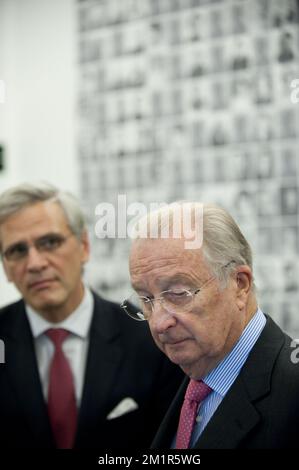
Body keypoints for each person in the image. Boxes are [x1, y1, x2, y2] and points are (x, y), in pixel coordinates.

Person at [0, 183, 183, 449]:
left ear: (84, 246)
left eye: (50, 242)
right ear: (5, 266)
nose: (36, 263)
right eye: (17, 251)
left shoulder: (150, 336)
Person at [123, 202, 299, 449]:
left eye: (177, 293)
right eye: (146, 299)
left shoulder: (291, 391)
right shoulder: (178, 377)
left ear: (240, 284)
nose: (159, 322)